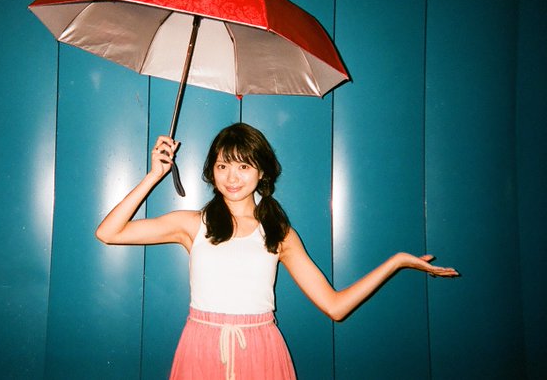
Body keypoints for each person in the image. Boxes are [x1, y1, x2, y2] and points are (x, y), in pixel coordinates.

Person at [96, 123, 458, 380]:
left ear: (261, 172)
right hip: (200, 347)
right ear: (212, 172)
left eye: (243, 166)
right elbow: (109, 233)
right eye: (223, 166)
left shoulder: (279, 233)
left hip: (261, 350)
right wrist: (154, 175)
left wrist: (396, 262)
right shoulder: (192, 224)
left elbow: (335, 307)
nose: (232, 177)